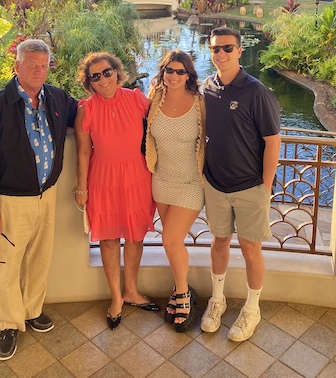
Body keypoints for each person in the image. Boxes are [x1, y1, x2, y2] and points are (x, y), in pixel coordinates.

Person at [0, 39, 78, 360]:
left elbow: (84, 113)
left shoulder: (56, 98)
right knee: (7, 264)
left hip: (47, 194)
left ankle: (31, 311)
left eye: (43, 66)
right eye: (32, 65)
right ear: (17, 66)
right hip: (11, 201)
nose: (39, 71)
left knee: (39, 258)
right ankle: (9, 323)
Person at [200, 27, 281, 342]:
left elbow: (273, 141)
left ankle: (252, 308)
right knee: (219, 242)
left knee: (250, 249)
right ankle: (217, 300)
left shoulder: (256, 91)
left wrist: (265, 186)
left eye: (226, 48)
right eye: (215, 49)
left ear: (239, 51)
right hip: (216, 185)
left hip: (250, 187)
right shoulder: (207, 87)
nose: (220, 54)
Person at [74, 52, 159, 330]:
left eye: (107, 72)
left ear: (117, 72)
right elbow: (84, 152)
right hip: (103, 180)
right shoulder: (86, 109)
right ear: (88, 82)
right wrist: (81, 188)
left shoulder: (136, 99)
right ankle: (116, 298)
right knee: (109, 240)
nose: (102, 80)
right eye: (95, 76)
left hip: (137, 177)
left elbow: (162, 119)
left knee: (135, 236)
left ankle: (132, 290)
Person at [144, 50, 206, 332]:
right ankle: (180, 287)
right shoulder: (154, 97)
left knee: (170, 239)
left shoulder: (200, 102)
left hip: (191, 183)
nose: (174, 76)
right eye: (169, 70)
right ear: (163, 71)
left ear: (189, 75)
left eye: (180, 72)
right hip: (162, 180)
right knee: (172, 242)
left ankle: (182, 292)